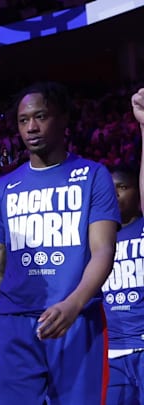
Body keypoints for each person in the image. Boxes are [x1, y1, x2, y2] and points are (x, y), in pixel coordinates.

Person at [0, 82, 120, 404]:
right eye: (23, 120)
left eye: (40, 117)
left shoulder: (93, 176)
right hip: (13, 323)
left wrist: (74, 303)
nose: (31, 128)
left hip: (75, 316)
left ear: (63, 119)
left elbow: (103, 251)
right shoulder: (3, 188)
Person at [103, 88, 144, 404]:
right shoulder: (99, 238)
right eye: (111, 189)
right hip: (114, 354)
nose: (116, 194)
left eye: (124, 187)